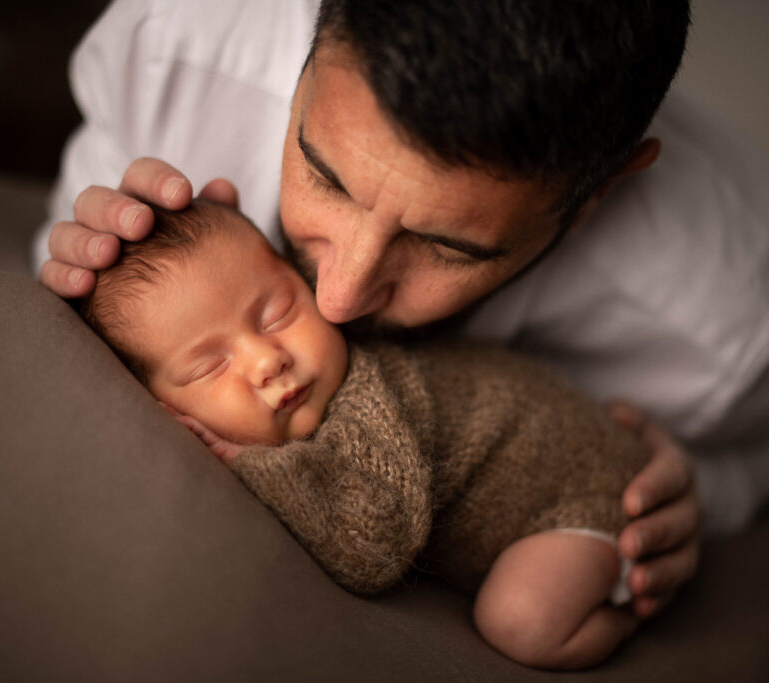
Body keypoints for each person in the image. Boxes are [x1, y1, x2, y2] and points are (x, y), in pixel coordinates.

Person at [36, 0, 769, 619]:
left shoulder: (718, 317)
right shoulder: (177, 45)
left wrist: (693, 491)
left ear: (600, 193)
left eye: (449, 247)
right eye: (324, 175)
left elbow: (757, 457)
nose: (337, 294)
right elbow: (65, 233)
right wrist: (87, 255)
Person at [80, 197, 651, 669]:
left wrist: (250, 463)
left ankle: (633, 608)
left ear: (306, 282)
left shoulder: (364, 402)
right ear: (160, 405)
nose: (266, 360)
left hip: (576, 489)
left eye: (278, 313)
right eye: (209, 367)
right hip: (564, 445)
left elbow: (374, 548)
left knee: (520, 621)